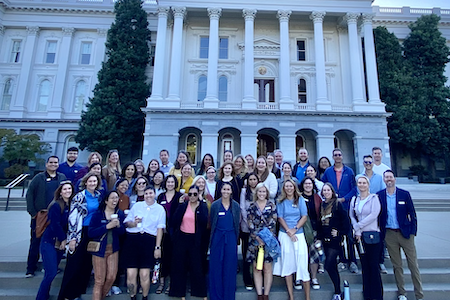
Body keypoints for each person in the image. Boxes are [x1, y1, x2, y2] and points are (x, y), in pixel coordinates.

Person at [378, 170, 423, 300]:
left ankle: (419, 294)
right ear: (384, 180)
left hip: (405, 234)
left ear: (394, 179)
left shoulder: (404, 194)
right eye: (386, 177)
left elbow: (412, 214)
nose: (389, 179)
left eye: (390, 177)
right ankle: (402, 293)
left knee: (413, 264)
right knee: (397, 266)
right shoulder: (380, 195)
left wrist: (413, 232)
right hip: (389, 234)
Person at [58, 172, 102, 300]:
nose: (92, 183)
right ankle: (66, 295)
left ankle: (77, 292)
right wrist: (72, 238)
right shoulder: (79, 197)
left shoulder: (98, 196)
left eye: (95, 181)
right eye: (90, 181)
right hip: (80, 231)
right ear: (85, 182)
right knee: (74, 264)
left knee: (86, 264)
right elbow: (73, 218)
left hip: (93, 232)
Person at [26, 156, 67, 278]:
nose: (53, 164)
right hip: (40, 216)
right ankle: (30, 269)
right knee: (36, 241)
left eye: (56, 162)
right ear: (46, 164)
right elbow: (30, 195)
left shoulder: (62, 178)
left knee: (54, 242)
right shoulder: (38, 178)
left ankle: (48, 266)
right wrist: (33, 213)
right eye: (51, 162)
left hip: (56, 216)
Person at [123, 186, 165, 300]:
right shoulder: (137, 206)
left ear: (155, 194)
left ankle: (145, 297)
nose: (148, 195)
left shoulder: (160, 209)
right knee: (131, 274)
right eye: (146, 193)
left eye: (150, 193)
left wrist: (157, 247)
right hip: (133, 239)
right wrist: (134, 223)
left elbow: (160, 229)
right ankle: (132, 296)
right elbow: (127, 223)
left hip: (149, 240)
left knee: (144, 274)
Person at [321, 148, 358, 273]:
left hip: (346, 207)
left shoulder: (349, 171)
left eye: (339, 155)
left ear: (342, 157)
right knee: (337, 236)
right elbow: (324, 186)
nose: (337, 157)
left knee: (349, 235)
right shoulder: (328, 171)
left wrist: (344, 199)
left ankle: (352, 261)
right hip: (334, 209)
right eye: (335, 155)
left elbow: (354, 189)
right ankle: (342, 260)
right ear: (333, 157)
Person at [169, 185, 209, 300]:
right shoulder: (183, 205)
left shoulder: (202, 206)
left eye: (195, 194)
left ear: (198, 195)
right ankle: (179, 293)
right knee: (179, 266)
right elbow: (175, 220)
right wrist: (180, 204)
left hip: (195, 240)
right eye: (190, 194)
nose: (192, 196)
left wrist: (202, 203)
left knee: (197, 266)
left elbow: (204, 220)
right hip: (182, 238)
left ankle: (200, 293)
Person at [274, 179, 311, 300]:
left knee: (302, 263)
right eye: (287, 186)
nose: (289, 188)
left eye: (291, 186)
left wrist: (295, 229)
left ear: (294, 187)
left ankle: (307, 297)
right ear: (283, 188)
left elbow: (304, 216)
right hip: (285, 234)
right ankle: (291, 296)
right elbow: (280, 217)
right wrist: (289, 231)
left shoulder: (300, 199)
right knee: (288, 264)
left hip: (298, 233)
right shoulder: (280, 201)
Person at [36, 181, 73, 300]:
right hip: (49, 242)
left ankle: (46, 295)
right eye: (65, 189)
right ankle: (41, 297)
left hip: (60, 243)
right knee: (50, 273)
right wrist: (63, 239)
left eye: (69, 189)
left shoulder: (71, 205)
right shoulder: (56, 205)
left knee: (52, 272)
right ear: (60, 192)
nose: (68, 191)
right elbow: (54, 225)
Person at [349, 175, 383, 300]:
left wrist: (358, 226)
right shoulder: (354, 199)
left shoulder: (374, 198)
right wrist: (357, 229)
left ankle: (377, 295)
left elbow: (374, 214)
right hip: (360, 237)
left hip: (372, 235)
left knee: (373, 265)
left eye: (364, 182)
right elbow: (352, 215)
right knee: (364, 265)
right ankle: (367, 294)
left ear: (368, 185)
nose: (362, 185)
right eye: (359, 183)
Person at [88, 191, 126, 300]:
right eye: (112, 198)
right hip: (99, 249)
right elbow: (91, 233)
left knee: (111, 277)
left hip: (113, 249)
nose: (115, 200)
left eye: (116, 198)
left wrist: (119, 226)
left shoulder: (120, 213)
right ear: (106, 200)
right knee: (99, 280)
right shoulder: (98, 214)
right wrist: (107, 226)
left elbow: (122, 233)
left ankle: (101, 297)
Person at [317, 183, 350, 300]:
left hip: (335, 241)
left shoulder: (337, 205)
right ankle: (338, 292)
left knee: (329, 264)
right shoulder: (322, 205)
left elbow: (346, 223)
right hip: (325, 239)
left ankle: (338, 291)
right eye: (324, 190)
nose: (326, 192)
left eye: (328, 190)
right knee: (333, 267)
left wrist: (339, 233)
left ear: (332, 191)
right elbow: (320, 223)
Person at [210, 182, 241, 300]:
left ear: (231, 191)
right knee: (216, 267)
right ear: (221, 190)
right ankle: (216, 296)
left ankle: (228, 296)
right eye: (224, 189)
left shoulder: (236, 206)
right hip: (218, 237)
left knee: (230, 267)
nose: (226, 191)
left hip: (231, 237)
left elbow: (237, 223)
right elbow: (212, 222)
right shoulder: (215, 205)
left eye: (228, 189)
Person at [247, 183, 277, 300]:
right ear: (256, 193)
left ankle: (266, 294)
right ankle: (259, 294)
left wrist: (265, 238)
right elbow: (249, 223)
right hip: (255, 242)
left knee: (267, 268)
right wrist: (257, 238)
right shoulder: (252, 206)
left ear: (267, 193)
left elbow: (274, 222)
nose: (261, 194)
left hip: (268, 241)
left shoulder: (271, 205)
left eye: (264, 192)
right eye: (260, 191)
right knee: (257, 267)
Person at [156, 175, 183, 295]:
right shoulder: (160, 196)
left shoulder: (179, 197)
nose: (170, 184)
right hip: (162, 231)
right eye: (168, 182)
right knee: (163, 257)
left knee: (173, 257)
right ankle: (161, 282)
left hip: (175, 231)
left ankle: (171, 284)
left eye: (172, 182)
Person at [299, 176, 323, 290]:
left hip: (314, 229)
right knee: (300, 255)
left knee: (314, 255)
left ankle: (313, 278)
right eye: (306, 184)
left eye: (310, 183)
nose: (308, 186)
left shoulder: (317, 198)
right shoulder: (298, 197)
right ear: (302, 185)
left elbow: (321, 214)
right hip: (300, 229)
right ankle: (299, 277)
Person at [240, 173, 259, 290]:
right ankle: (247, 279)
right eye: (250, 179)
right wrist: (249, 222)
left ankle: (257, 278)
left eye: (254, 179)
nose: (252, 181)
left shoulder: (261, 190)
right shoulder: (244, 191)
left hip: (258, 227)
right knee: (246, 253)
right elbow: (242, 207)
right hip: (246, 227)